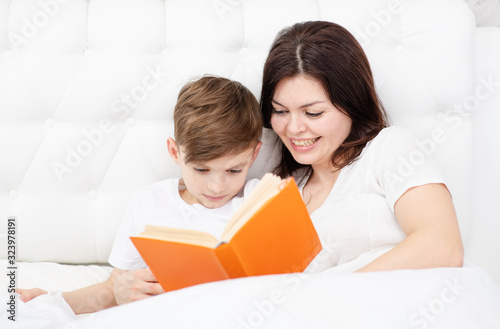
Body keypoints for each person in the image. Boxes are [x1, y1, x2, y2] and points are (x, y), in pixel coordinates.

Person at [17, 75, 263, 313]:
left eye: (233, 170)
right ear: (175, 152)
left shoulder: (259, 200)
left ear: (254, 155)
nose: (216, 186)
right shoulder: (149, 203)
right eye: (201, 169)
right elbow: (115, 287)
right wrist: (55, 301)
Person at [259, 21, 464, 273]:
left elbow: (443, 246)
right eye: (280, 111)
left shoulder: (389, 149)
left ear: (352, 104)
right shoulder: (283, 188)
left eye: (312, 113)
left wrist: (334, 289)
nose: (293, 128)